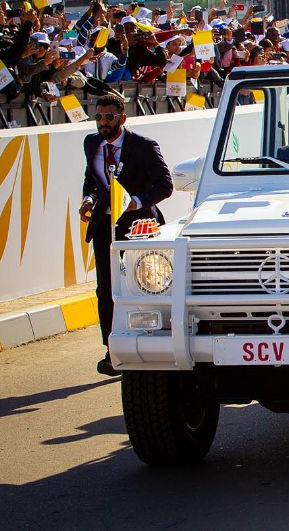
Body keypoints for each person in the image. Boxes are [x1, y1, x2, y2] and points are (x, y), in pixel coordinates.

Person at [79, 94, 173, 376]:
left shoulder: (143, 146)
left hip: (138, 229)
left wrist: (136, 200)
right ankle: (112, 352)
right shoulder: (91, 143)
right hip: (104, 227)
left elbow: (165, 185)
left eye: (109, 117)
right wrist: (87, 199)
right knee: (106, 288)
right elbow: (91, 179)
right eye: (98, 117)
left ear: (122, 117)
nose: (103, 123)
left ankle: (152, 343)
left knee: (142, 286)